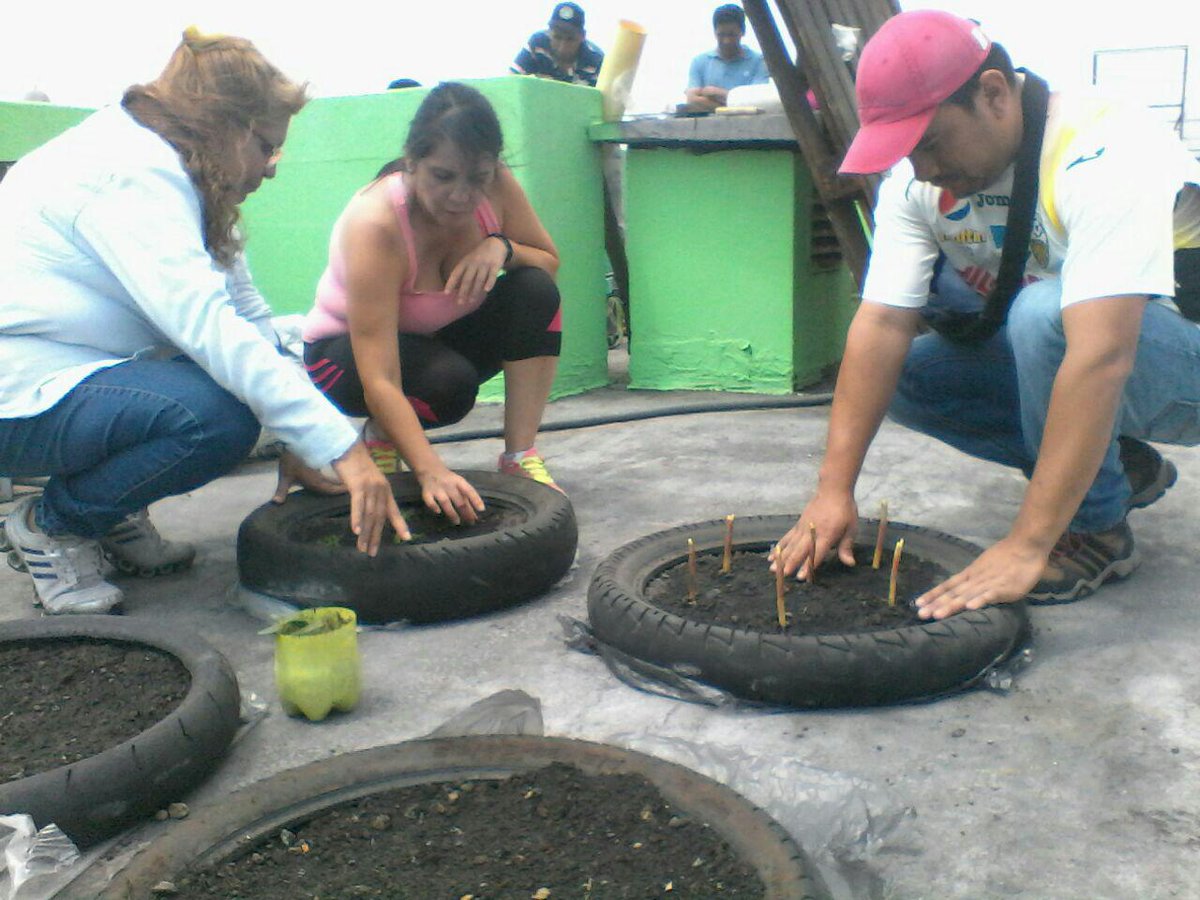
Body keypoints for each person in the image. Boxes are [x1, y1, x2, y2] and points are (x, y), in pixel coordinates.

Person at [772, 10, 1200, 619]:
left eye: (929, 142)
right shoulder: (916, 183)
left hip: (1183, 357)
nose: (922, 171)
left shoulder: (1105, 145)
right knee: (913, 376)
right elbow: (882, 325)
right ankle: (1113, 470)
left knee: (1041, 314)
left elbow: (1103, 355)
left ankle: (1094, 532)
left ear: (994, 93)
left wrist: (1028, 543)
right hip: (1092, 349)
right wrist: (832, 492)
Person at [0, 28, 407, 616]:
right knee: (214, 418)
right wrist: (344, 450)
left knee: (233, 385)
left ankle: (105, 512)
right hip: (17, 393)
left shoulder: (186, 175)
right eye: (266, 145)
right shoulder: (130, 176)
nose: (270, 168)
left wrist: (306, 436)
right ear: (225, 127)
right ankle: (53, 524)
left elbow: (249, 319)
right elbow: (209, 326)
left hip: (70, 371)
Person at [301, 81, 565, 525]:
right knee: (448, 386)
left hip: (432, 339)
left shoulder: (497, 185)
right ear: (412, 160)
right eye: (443, 176)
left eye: (476, 178)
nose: (461, 195)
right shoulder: (377, 223)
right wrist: (431, 471)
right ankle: (382, 436)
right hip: (343, 356)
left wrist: (500, 246)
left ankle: (520, 454)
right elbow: (380, 377)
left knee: (534, 289)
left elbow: (548, 261)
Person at [684, 4, 769, 113]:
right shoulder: (700, 62)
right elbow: (692, 100)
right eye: (721, 35)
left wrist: (718, 93)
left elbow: (759, 102)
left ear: (743, 32)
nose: (726, 41)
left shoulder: (759, 62)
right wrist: (736, 105)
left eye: (731, 35)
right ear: (714, 32)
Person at [511, 2, 605, 87]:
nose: (562, 46)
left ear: (582, 36)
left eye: (570, 39)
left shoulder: (597, 60)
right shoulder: (536, 45)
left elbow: (606, 101)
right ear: (549, 32)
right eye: (557, 37)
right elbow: (511, 82)